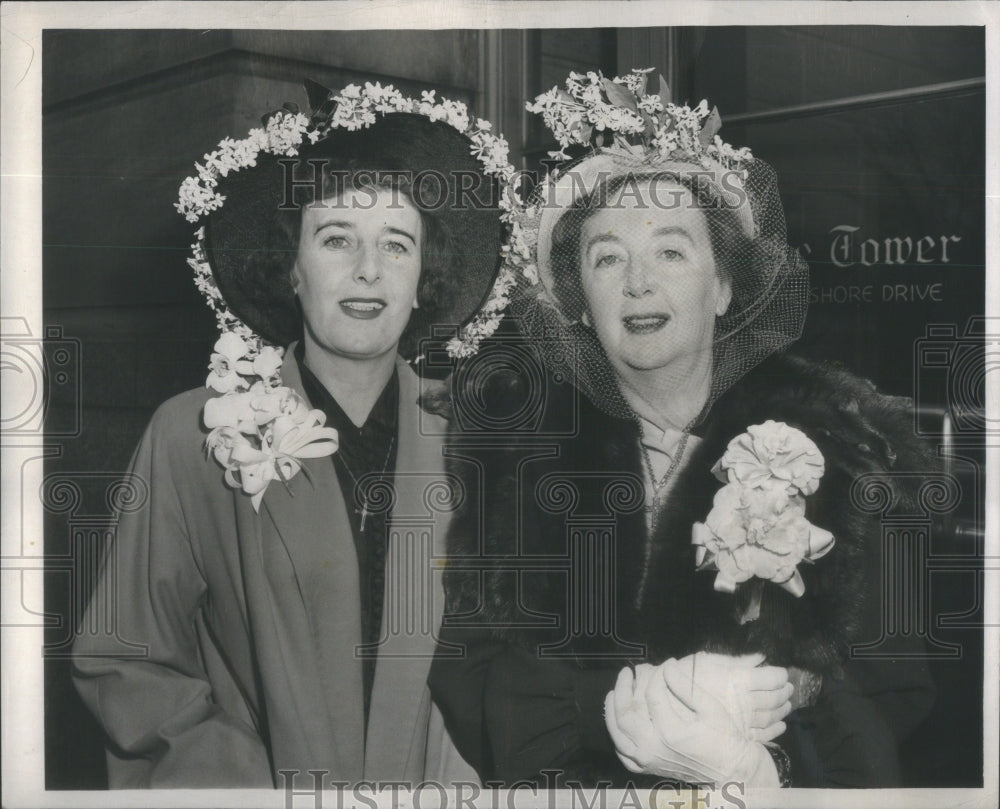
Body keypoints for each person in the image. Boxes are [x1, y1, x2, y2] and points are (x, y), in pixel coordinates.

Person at [429, 69, 935, 788]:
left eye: (671, 250)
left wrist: (795, 696)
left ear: (724, 286)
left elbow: (897, 697)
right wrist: (614, 708)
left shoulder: (835, 451)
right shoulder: (521, 459)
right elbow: (472, 682)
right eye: (607, 258)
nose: (638, 282)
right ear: (577, 301)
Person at [71, 79, 522, 787]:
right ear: (291, 266)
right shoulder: (193, 437)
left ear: (422, 279)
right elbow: (127, 659)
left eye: (397, 244)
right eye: (336, 237)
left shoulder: (478, 443)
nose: (367, 270)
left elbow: (516, 663)